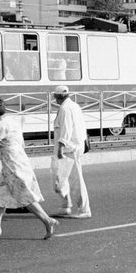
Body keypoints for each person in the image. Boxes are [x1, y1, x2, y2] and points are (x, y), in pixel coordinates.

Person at [0, 96, 58, 240]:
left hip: (13, 164)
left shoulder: (0, 125)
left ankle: (47, 220)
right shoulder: (12, 121)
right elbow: (15, 141)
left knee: (24, 195)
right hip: (18, 159)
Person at [50, 85, 91, 219]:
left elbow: (66, 129)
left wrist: (61, 146)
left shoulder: (65, 108)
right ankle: (65, 206)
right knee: (61, 178)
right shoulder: (74, 106)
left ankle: (84, 210)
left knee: (75, 180)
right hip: (72, 147)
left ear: (57, 97)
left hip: (69, 149)